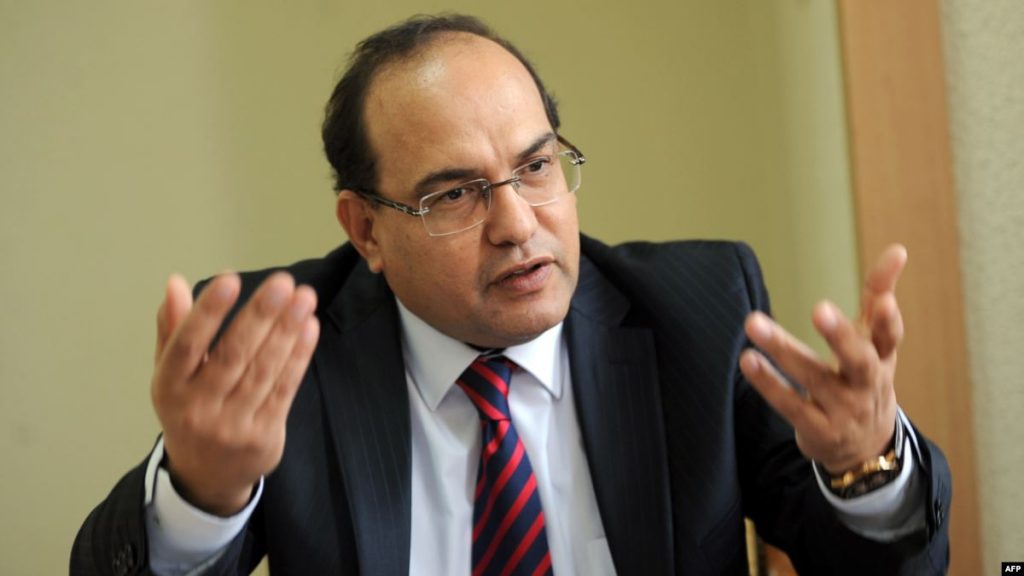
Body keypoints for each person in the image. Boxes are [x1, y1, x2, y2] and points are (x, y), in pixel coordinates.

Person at [71, 14, 950, 576]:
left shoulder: (698, 311)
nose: (518, 224)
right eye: (455, 194)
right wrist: (201, 493)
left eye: (535, 167)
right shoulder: (285, 347)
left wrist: (866, 464)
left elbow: (886, 564)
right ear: (365, 229)